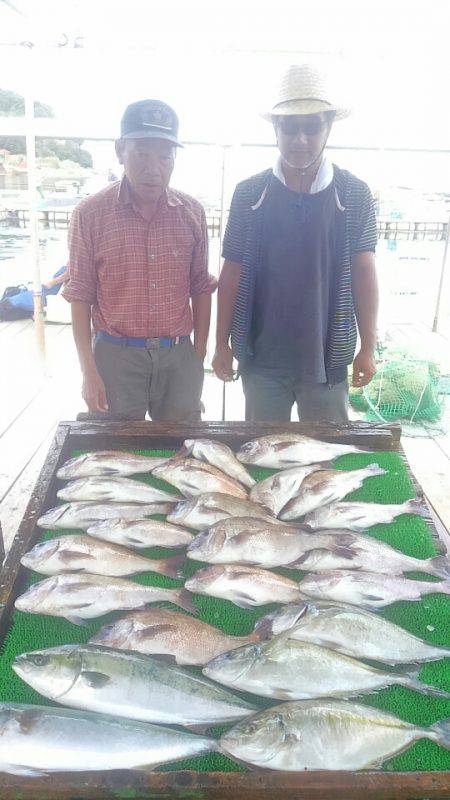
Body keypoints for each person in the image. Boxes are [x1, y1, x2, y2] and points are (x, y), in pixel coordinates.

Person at [213, 64, 379, 423]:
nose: (300, 139)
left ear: (328, 128)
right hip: (260, 362)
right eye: (290, 127)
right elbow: (231, 274)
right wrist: (221, 343)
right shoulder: (250, 194)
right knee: (264, 453)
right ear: (276, 129)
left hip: (327, 360)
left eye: (311, 127)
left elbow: (365, 274)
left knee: (324, 459)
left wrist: (369, 347)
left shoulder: (354, 194)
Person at [63, 99, 217, 420]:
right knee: (115, 451)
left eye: (165, 157)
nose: (153, 168)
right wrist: (88, 372)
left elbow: (201, 286)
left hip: (178, 355)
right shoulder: (89, 214)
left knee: (183, 447)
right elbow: (80, 295)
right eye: (141, 154)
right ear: (120, 150)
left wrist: (197, 353)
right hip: (115, 356)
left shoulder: (192, 213)